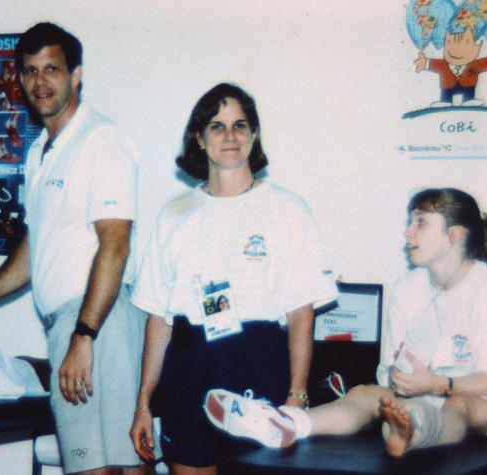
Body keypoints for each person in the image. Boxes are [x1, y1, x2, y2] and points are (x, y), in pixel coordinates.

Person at [0, 22, 147, 475]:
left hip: (96, 320)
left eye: (52, 69)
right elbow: (35, 248)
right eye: (30, 71)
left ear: (76, 75)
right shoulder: (41, 150)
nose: (40, 82)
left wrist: (84, 336)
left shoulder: (101, 141)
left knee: (102, 467)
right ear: (19, 79)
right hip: (82, 322)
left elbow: (115, 246)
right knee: (114, 464)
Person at [129, 83, 337, 472]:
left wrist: (296, 397)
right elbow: (158, 320)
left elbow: (300, 313)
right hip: (190, 365)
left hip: (260, 362)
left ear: (254, 135)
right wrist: (143, 404)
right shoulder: (174, 215)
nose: (229, 136)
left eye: (240, 126)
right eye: (217, 126)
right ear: (199, 138)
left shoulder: (288, 210)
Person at [234, 188, 487, 457]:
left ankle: (411, 430)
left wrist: (438, 384)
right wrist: (401, 379)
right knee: (364, 395)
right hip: (422, 395)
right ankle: (288, 422)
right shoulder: (407, 287)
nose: (407, 233)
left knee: (457, 406)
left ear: (454, 235)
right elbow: (391, 373)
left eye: (421, 223)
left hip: (486, 402)